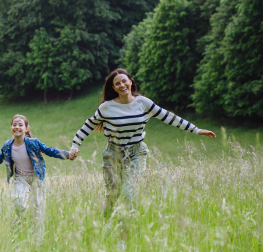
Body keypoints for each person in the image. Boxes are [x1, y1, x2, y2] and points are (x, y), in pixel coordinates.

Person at [68, 68, 216, 218]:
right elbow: (87, 126)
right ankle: (105, 227)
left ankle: (126, 234)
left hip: (136, 153)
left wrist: (195, 130)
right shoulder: (106, 107)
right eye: (117, 83)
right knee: (112, 195)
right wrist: (75, 146)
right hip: (113, 153)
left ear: (131, 82)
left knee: (129, 191)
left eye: (124, 81)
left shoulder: (143, 103)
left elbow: (168, 117)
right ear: (113, 88)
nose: (122, 85)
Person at [0, 114, 69, 241]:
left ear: (26, 129)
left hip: (37, 178)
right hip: (21, 178)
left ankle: (37, 241)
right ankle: (18, 225)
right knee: (20, 203)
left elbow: (49, 150)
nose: (17, 127)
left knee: (38, 210)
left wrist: (67, 155)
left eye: (20, 125)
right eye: (14, 124)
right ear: (11, 128)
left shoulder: (33, 143)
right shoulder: (8, 145)